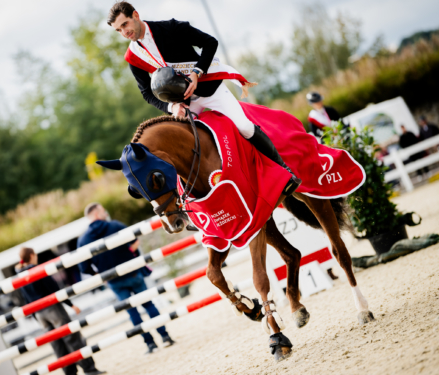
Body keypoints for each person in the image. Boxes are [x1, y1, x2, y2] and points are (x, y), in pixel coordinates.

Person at [107, 1, 301, 197]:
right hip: (184, 103)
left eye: (125, 25)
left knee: (244, 127)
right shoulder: (133, 57)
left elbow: (210, 43)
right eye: (118, 30)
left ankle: (285, 173)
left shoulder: (172, 27)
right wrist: (171, 107)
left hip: (209, 89)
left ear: (136, 15)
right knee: (181, 149)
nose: (124, 32)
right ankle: (190, 205)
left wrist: (196, 72)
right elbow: (146, 93)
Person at [78, 203, 175, 355]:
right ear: (96, 214)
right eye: (103, 211)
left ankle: (150, 344)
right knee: (149, 305)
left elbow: (84, 268)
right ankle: (165, 336)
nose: (105, 214)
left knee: (132, 313)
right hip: (133, 273)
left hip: (113, 281)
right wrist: (129, 253)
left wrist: (101, 276)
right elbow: (135, 241)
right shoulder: (115, 226)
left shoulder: (83, 240)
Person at [16, 247, 105, 375]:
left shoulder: (20, 276)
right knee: (72, 338)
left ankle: (69, 372)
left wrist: (34, 315)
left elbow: (24, 298)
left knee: (57, 345)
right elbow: (54, 289)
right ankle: (89, 368)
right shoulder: (37, 270)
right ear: (31, 256)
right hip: (52, 308)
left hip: (39, 313)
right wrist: (70, 304)